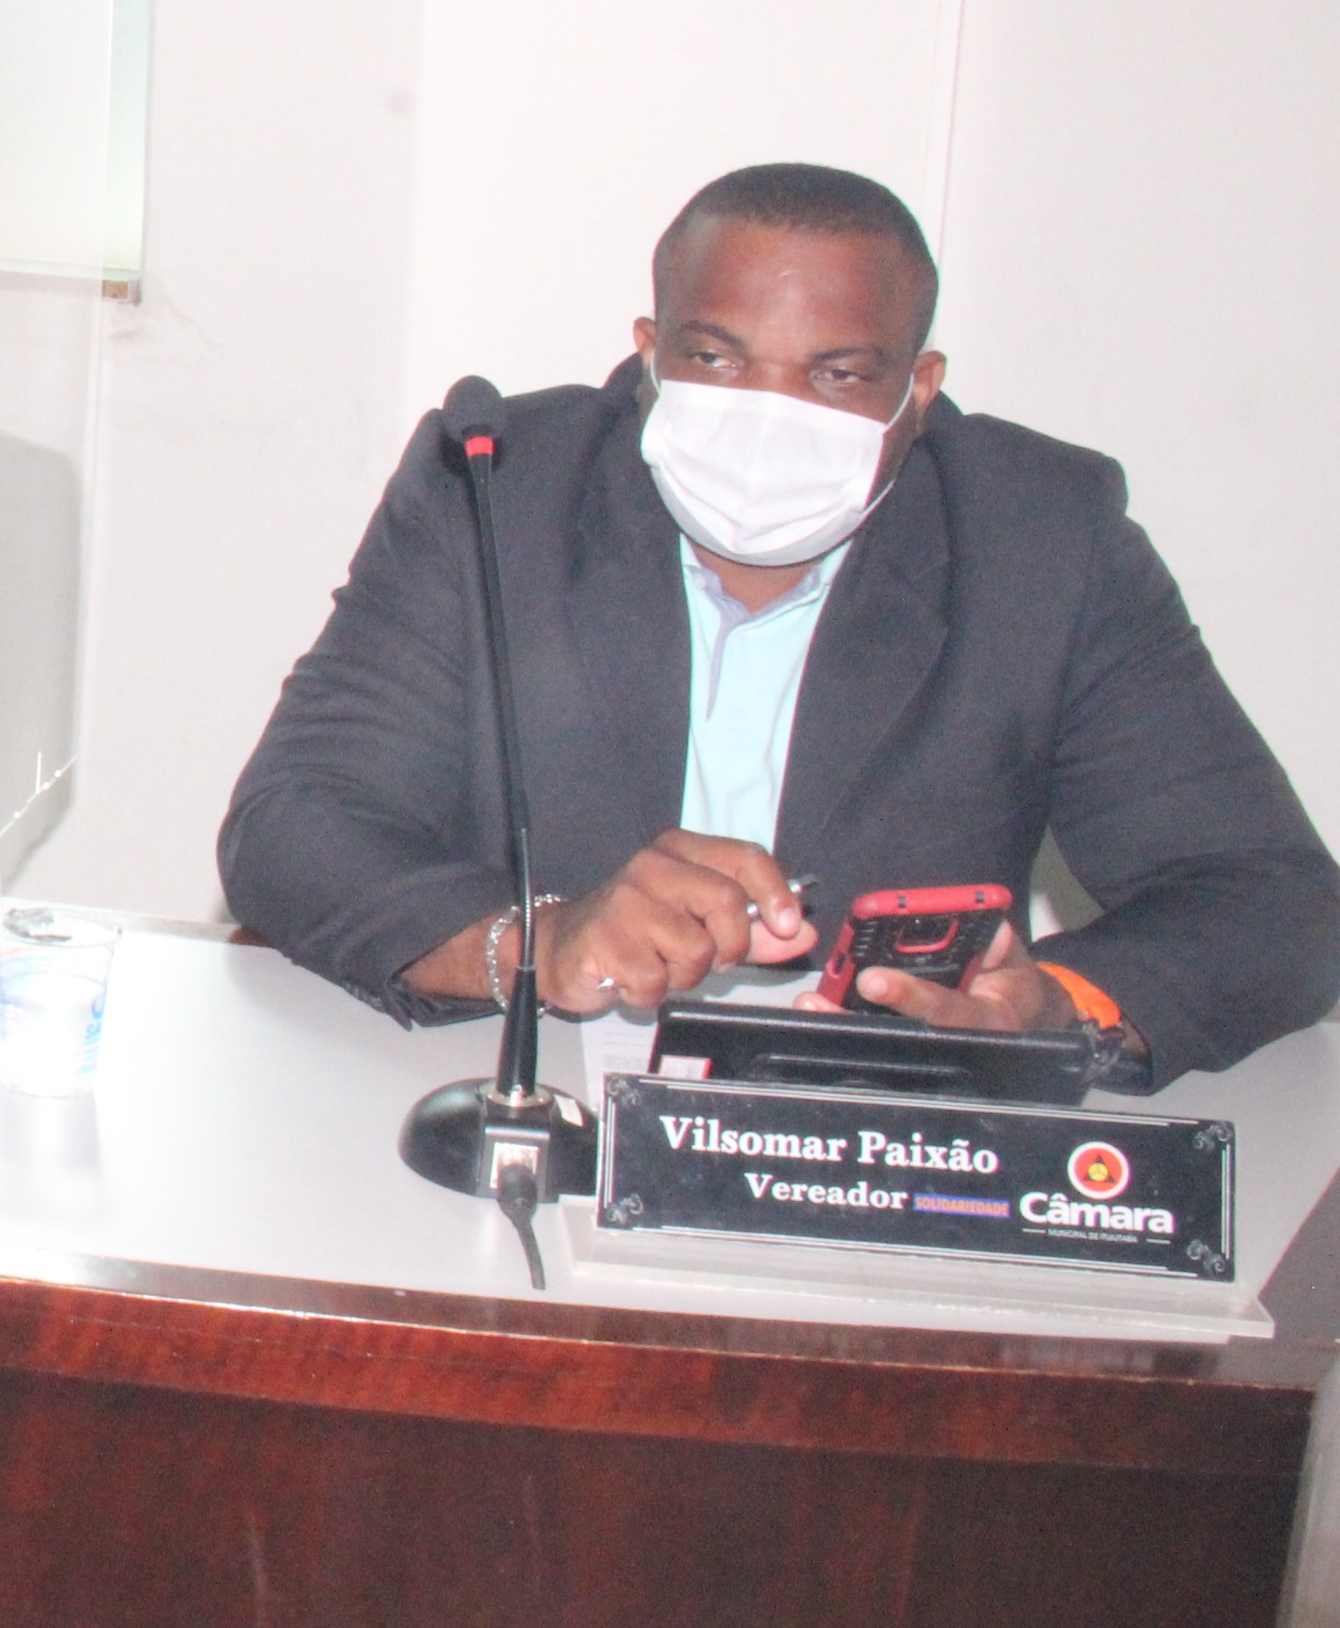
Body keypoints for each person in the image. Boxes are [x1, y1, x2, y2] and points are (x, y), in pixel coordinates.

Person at [220, 161, 1340, 1090]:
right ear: (649, 352)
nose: (766, 416)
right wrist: (538, 942)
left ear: (917, 390)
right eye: (714, 358)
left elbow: (1272, 898)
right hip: (521, 1086)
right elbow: (292, 823)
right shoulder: (496, 485)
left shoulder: (1042, 538)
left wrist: (1056, 1007)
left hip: (878, 1132)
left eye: (836, 375)